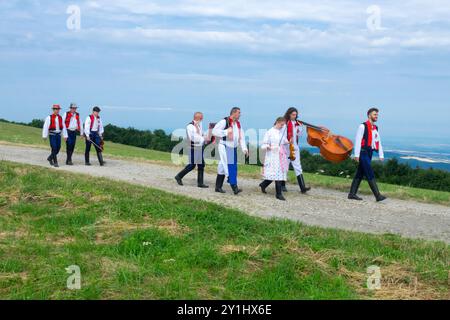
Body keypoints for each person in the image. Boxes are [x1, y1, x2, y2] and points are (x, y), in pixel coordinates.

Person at [348, 107, 387, 202]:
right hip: (363, 152)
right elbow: (358, 140)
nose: (376, 116)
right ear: (369, 115)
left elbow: (378, 141)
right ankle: (377, 195)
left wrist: (381, 154)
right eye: (375, 114)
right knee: (369, 172)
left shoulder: (376, 128)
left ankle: (352, 194)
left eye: (377, 115)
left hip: (369, 153)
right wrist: (356, 155)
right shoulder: (362, 126)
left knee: (360, 173)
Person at [212, 107, 249, 195]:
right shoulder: (224, 121)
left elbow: (241, 138)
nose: (240, 114)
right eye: (239, 112)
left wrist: (244, 148)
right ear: (234, 113)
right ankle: (234, 187)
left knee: (222, 166)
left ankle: (218, 187)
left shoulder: (238, 124)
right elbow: (214, 131)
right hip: (224, 146)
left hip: (233, 148)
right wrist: (226, 132)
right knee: (231, 167)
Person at [175, 112, 210, 188]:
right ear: (197, 118)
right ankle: (178, 176)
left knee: (201, 165)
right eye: (201, 118)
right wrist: (203, 138)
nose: (202, 119)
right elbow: (193, 137)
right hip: (193, 147)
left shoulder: (198, 125)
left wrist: (205, 136)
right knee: (192, 165)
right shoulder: (190, 126)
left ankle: (200, 183)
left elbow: (201, 134)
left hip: (199, 147)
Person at [259, 117, 290, 201]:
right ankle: (278, 194)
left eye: (283, 125)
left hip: (280, 156)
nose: (282, 126)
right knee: (275, 174)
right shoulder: (269, 132)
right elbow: (263, 145)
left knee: (278, 174)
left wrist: (287, 141)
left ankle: (263, 185)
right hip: (272, 156)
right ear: (277, 122)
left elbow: (284, 141)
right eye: (281, 124)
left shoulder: (281, 132)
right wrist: (269, 147)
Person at [283, 107, 311, 194]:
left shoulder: (297, 123)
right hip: (286, 148)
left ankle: (302, 187)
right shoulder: (285, 123)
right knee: (285, 167)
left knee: (298, 167)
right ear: (289, 114)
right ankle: (282, 185)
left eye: (295, 115)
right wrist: (287, 142)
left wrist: (300, 127)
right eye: (293, 115)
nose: (294, 116)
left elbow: (299, 135)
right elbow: (282, 136)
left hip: (295, 147)